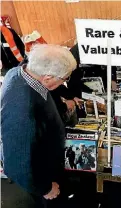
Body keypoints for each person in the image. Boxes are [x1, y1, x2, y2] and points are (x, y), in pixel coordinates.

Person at [1, 44, 76, 207]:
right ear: (48, 78)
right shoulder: (22, 107)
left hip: (47, 161)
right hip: (42, 176)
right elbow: (17, 159)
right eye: (64, 79)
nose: (65, 81)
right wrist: (45, 188)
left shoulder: (22, 72)